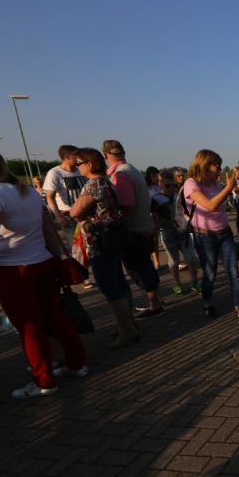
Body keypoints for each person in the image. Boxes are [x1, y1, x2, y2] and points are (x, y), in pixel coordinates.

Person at [0, 147, 86, 398]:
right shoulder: (27, 192)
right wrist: (57, 261)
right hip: (42, 262)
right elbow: (48, 231)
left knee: (28, 326)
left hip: (11, 269)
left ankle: (44, 380)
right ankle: (76, 364)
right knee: (56, 317)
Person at [69, 147, 139, 349]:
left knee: (110, 288)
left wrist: (79, 213)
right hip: (113, 238)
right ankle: (128, 324)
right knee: (119, 284)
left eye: (79, 163)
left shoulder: (94, 184)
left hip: (100, 241)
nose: (77, 167)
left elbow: (75, 211)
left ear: (89, 164)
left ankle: (127, 330)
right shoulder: (107, 181)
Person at [183, 149, 239, 324]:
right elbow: (210, 205)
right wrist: (228, 188)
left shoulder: (215, 184)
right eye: (217, 166)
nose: (220, 169)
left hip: (225, 233)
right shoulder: (191, 183)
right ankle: (207, 303)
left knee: (234, 272)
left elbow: (221, 204)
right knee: (210, 273)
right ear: (205, 165)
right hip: (205, 236)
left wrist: (229, 188)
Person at [103, 140, 163, 319]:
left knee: (138, 268)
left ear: (106, 155)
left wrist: (117, 224)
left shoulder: (121, 175)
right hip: (142, 226)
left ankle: (154, 304)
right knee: (144, 265)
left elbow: (127, 206)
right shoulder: (132, 170)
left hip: (133, 229)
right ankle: (156, 301)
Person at [152, 174, 200, 295]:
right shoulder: (156, 199)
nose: (171, 188)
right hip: (168, 234)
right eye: (168, 185)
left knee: (191, 258)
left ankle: (195, 282)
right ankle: (177, 284)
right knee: (173, 262)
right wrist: (166, 223)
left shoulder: (178, 195)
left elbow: (186, 210)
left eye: (173, 185)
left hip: (183, 232)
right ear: (160, 184)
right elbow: (153, 219)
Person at [43, 145, 86, 248]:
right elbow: (50, 197)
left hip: (84, 214)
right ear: (67, 157)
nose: (79, 158)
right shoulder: (55, 173)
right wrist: (59, 217)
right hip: (69, 217)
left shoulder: (81, 170)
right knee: (76, 248)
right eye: (76, 156)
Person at [144, 166, 162, 270]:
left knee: (158, 239)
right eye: (154, 176)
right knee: (153, 239)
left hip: (160, 214)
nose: (156, 178)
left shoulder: (159, 187)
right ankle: (156, 262)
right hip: (150, 215)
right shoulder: (146, 188)